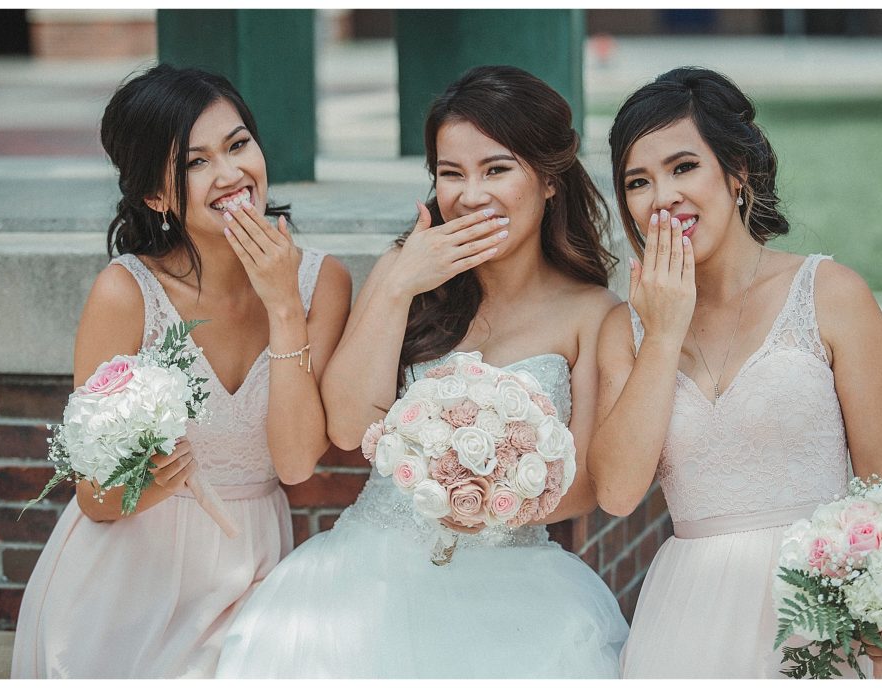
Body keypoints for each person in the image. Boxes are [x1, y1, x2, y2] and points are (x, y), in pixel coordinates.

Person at [216, 65, 629, 679]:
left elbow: (591, 485)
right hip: (367, 571)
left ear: (547, 179)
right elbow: (351, 426)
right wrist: (401, 283)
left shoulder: (594, 315)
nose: (471, 194)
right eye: (450, 173)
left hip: (515, 592)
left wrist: (490, 505)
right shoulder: (402, 276)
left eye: (497, 169)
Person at [10, 64, 351, 678]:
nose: (230, 175)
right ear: (155, 194)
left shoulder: (322, 283)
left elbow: (298, 463)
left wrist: (282, 307)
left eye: (238, 144)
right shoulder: (125, 294)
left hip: (252, 570)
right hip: (124, 589)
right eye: (195, 163)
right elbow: (94, 497)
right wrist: (156, 478)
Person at [588, 67, 882, 678]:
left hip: (824, 608)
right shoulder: (624, 330)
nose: (662, 198)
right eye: (639, 181)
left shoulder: (831, 294)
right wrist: (662, 333)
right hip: (689, 621)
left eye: (683, 167)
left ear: (737, 173)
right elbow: (617, 492)